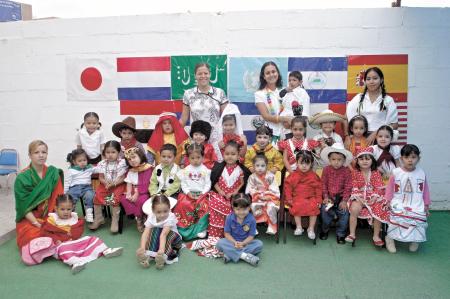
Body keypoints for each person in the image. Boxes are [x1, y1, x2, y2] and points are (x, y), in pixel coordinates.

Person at [189, 141, 251, 258]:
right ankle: (213, 233)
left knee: (233, 206)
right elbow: (215, 181)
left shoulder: (241, 170)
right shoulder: (218, 167)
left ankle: (230, 234)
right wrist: (221, 191)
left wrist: (234, 192)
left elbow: (242, 183)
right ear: (223, 154)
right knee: (214, 202)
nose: (230, 156)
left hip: (234, 196)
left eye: (233, 154)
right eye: (227, 154)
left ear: (238, 155)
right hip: (219, 194)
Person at [41, 194, 123, 274]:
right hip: (62, 244)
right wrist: (57, 240)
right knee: (62, 249)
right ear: (56, 208)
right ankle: (76, 262)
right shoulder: (52, 219)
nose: (66, 212)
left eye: (68, 209)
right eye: (62, 209)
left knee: (92, 238)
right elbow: (46, 233)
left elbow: (78, 231)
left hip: (75, 242)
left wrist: (72, 235)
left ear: (72, 208)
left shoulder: (74, 218)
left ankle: (106, 250)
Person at [14, 140, 64, 250]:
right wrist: (37, 223)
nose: (41, 155)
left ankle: (52, 245)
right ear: (30, 155)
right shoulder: (22, 178)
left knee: (71, 228)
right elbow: (23, 207)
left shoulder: (53, 173)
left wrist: (55, 220)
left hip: (50, 216)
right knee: (32, 236)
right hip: (31, 218)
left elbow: (58, 200)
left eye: (44, 152)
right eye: (36, 152)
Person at [385, 144, 430, 253]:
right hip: (398, 201)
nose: (410, 160)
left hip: (416, 202)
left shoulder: (421, 173)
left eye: (413, 157)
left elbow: (425, 190)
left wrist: (426, 205)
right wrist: (388, 201)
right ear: (401, 159)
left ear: (418, 159)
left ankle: (415, 239)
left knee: (418, 216)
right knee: (396, 215)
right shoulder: (396, 172)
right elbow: (390, 188)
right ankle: (390, 238)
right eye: (407, 157)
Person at [179, 62, 229, 155]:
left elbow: (226, 118)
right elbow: (183, 118)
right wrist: (172, 134)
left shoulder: (219, 93)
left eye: (205, 73)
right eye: (199, 73)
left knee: (215, 166)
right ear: (195, 76)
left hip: (215, 140)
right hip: (196, 139)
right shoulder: (188, 94)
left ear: (210, 74)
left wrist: (228, 137)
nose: (203, 76)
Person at [345, 147, 389, 247]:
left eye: (367, 159)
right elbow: (354, 185)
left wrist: (374, 198)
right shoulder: (355, 172)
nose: (364, 161)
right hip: (359, 196)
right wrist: (359, 197)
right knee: (354, 208)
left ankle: (376, 235)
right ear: (357, 161)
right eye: (361, 159)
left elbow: (378, 187)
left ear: (372, 160)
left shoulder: (375, 173)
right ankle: (352, 234)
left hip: (373, 196)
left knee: (379, 208)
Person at [346, 67, 399, 144]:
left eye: (375, 78)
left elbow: (394, 124)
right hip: (359, 138)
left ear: (381, 80)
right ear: (365, 81)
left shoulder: (388, 100)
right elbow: (346, 117)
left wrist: (376, 133)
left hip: (381, 139)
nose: (371, 81)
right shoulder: (358, 98)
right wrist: (347, 136)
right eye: (368, 79)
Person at [174, 143, 211, 241]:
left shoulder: (205, 170)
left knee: (204, 206)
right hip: (188, 194)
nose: (195, 160)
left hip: (202, 194)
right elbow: (183, 184)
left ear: (203, 157)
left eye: (198, 157)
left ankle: (202, 229)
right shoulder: (185, 170)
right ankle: (183, 228)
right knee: (182, 204)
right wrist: (187, 193)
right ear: (188, 158)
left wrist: (203, 193)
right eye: (192, 158)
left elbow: (208, 184)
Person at [89, 141, 127, 233]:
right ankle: (99, 218)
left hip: (118, 185)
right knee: (97, 195)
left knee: (115, 198)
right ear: (104, 153)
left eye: (113, 152)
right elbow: (100, 177)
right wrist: (105, 183)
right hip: (105, 184)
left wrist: (113, 184)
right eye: (108, 152)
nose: (110, 155)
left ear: (118, 152)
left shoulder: (122, 163)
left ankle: (115, 221)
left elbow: (123, 178)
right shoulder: (102, 163)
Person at [319, 143, 353, 244]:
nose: (336, 162)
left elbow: (348, 187)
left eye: (339, 160)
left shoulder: (346, 171)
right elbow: (323, 184)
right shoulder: (326, 170)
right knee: (325, 213)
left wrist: (345, 200)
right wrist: (325, 197)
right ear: (329, 160)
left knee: (344, 216)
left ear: (344, 160)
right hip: (329, 198)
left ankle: (341, 234)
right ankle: (325, 230)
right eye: (333, 159)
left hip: (341, 199)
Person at [284, 150, 322, 239]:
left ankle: (311, 228)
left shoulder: (314, 176)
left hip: (311, 197)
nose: (304, 166)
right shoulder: (293, 175)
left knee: (314, 207)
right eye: (301, 163)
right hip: (297, 197)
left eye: (307, 163)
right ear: (297, 163)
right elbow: (288, 188)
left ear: (311, 164)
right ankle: (299, 227)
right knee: (296, 205)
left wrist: (319, 200)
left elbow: (318, 188)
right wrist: (289, 198)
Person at [136, 195, 182, 270]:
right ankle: (148, 256)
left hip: (174, 240)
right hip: (160, 237)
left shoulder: (170, 217)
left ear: (169, 208)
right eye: (158, 212)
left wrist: (161, 250)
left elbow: (164, 235)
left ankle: (162, 258)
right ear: (153, 210)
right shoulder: (151, 216)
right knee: (152, 231)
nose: (162, 215)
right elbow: (145, 233)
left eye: (165, 211)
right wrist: (142, 247)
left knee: (164, 234)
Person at [217, 194, 263, 267]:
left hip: (245, 243)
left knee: (259, 244)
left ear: (249, 207)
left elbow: (251, 236)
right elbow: (227, 234)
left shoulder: (252, 219)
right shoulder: (229, 217)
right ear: (233, 208)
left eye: (244, 209)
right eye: (238, 209)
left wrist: (243, 243)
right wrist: (235, 242)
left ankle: (230, 255)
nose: (241, 212)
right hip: (232, 242)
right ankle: (245, 256)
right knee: (220, 243)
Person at [254, 61, 292, 144]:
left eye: (273, 72)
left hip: (288, 133)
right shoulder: (259, 94)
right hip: (271, 136)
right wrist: (285, 119)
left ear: (277, 73)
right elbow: (266, 116)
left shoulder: (286, 91)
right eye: (268, 73)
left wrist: (290, 121)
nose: (271, 75)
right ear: (264, 77)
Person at [245, 154, 280, 235]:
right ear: (253, 166)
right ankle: (253, 227)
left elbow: (274, 189)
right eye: (257, 165)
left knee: (271, 207)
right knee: (253, 206)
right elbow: (249, 189)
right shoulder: (252, 177)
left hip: (269, 198)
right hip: (257, 197)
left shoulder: (271, 176)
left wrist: (268, 196)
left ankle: (271, 226)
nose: (260, 168)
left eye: (262, 166)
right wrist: (258, 195)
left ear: (267, 166)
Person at [120, 147, 153, 233]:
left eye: (134, 157)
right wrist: (128, 193)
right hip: (133, 190)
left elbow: (146, 183)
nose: (132, 161)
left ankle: (140, 218)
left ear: (141, 156)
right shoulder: (131, 170)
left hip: (143, 191)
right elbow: (129, 182)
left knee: (141, 201)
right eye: (129, 159)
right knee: (124, 199)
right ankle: (138, 216)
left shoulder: (147, 168)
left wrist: (136, 194)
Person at [64, 149, 95, 222]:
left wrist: (105, 166)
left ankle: (89, 213)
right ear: (74, 162)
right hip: (75, 188)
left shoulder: (89, 168)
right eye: (80, 161)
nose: (82, 163)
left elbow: (98, 169)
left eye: (84, 160)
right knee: (71, 197)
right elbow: (67, 181)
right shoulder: (71, 170)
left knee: (90, 195)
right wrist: (64, 192)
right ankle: (71, 214)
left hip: (86, 188)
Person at [279, 71, 311, 139]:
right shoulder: (287, 92)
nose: (291, 82)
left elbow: (304, 112)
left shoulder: (302, 93)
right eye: (289, 80)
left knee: (299, 146)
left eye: (294, 80)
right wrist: (285, 91)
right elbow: (279, 96)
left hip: (298, 126)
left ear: (300, 82)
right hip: (286, 125)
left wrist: (294, 124)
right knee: (288, 145)